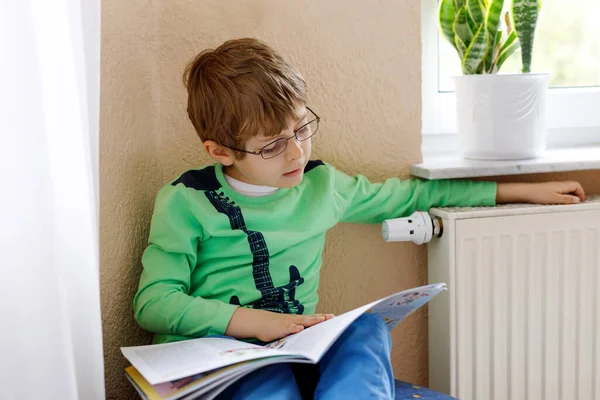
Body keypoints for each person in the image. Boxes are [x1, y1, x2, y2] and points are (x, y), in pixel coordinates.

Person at [132, 38, 586, 399]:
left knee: (366, 326)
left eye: (300, 128)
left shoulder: (321, 186)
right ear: (219, 151)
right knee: (267, 385)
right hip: (218, 360)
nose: (296, 152)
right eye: (272, 145)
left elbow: (410, 195)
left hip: (291, 347)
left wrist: (516, 190)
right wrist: (253, 322)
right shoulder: (185, 201)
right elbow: (154, 303)